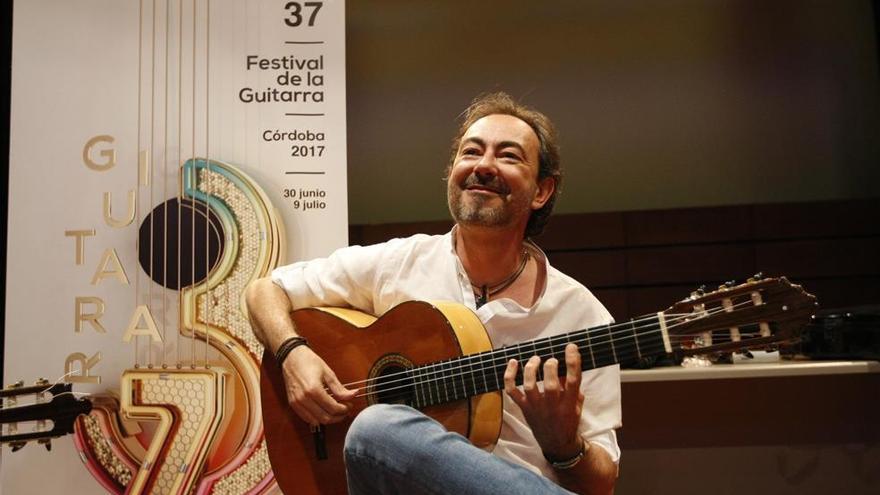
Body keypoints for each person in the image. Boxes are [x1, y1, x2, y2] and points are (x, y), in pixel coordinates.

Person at [245, 92, 621, 494]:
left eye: (509, 156)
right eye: (471, 152)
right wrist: (292, 354)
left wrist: (563, 444)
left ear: (542, 191)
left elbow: (600, 486)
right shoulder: (398, 262)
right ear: (452, 172)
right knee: (377, 427)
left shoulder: (584, 318)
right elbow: (264, 291)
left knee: (378, 426)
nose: (484, 165)